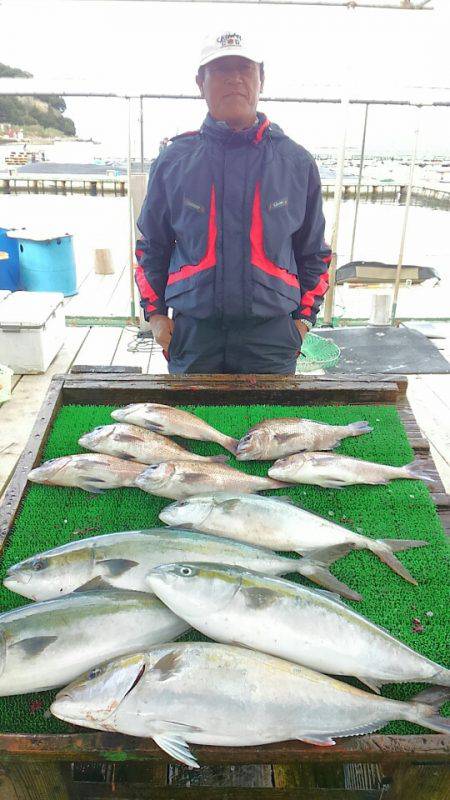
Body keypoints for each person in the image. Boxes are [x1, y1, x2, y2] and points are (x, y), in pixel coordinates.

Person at [135, 31, 331, 374]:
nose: (235, 79)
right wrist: (155, 316)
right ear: (201, 83)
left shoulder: (297, 163)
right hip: (193, 337)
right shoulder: (173, 161)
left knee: (271, 428)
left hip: (272, 338)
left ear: (261, 80)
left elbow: (314, 253)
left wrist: (302, 323)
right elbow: (152, 246)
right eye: (221, 70)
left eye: (244, 68)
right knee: (192, 426)